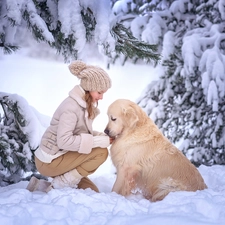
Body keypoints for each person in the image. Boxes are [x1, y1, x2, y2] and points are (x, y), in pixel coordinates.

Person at [26, 60, 112, 193]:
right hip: (49, 161)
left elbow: (78, 133)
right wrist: (96, 142)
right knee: (101, 152)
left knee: (92, 191)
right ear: (89, 88)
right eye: (100, 92)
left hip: (62, 155)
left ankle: (40, 186)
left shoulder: (84, 105)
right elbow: (64, 140)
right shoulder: (71, 107)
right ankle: (62, 182)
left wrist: (99, 136)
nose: (101, 97)